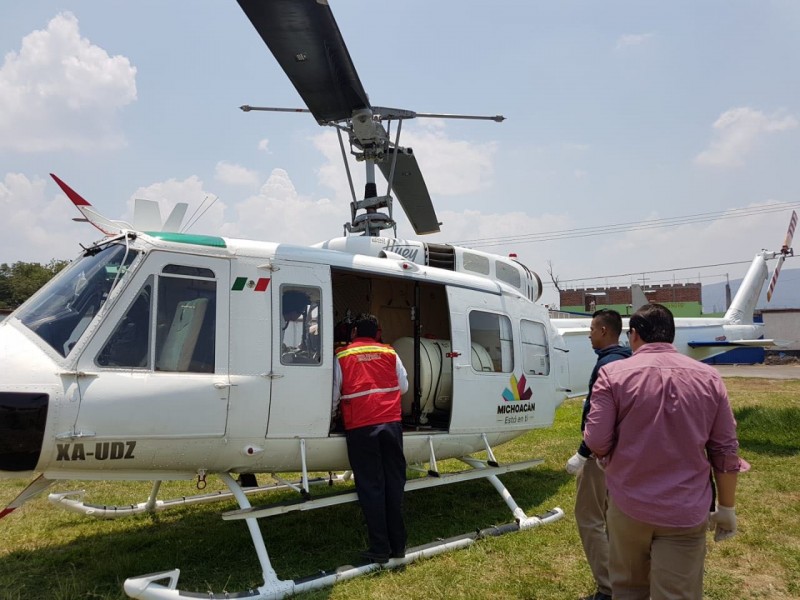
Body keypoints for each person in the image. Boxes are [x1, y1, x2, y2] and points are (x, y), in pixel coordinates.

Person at [584, 303, 747, 600]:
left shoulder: (612, 375)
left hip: (628, 505)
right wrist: (727, 507)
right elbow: (725, 450)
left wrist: (608, 458)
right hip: (686, 510)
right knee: (677, 593)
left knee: (629, 589)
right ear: (670, 337)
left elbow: (596, 440)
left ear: (633, 335)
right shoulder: (709, 378)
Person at [332, 313, 409, 564]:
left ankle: (379, 548)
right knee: (394, 484)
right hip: (391, 424)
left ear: (353, 332)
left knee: (371, 487)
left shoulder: (342, 356)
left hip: (362, 427)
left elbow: (335, 392)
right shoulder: (390, 352)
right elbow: (404, 386)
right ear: (377, 332)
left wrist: (334, 414)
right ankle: (398, 546)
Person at [565, 309, 631, 600]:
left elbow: (597, 415)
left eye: (592, 329)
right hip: (623, 453)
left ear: (604, 330)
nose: (589, 334)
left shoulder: (608, 364)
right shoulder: (628, 358)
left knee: (590, 518)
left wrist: (583, 454)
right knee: (614, 517)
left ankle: (609, 588)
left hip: (600, 454)